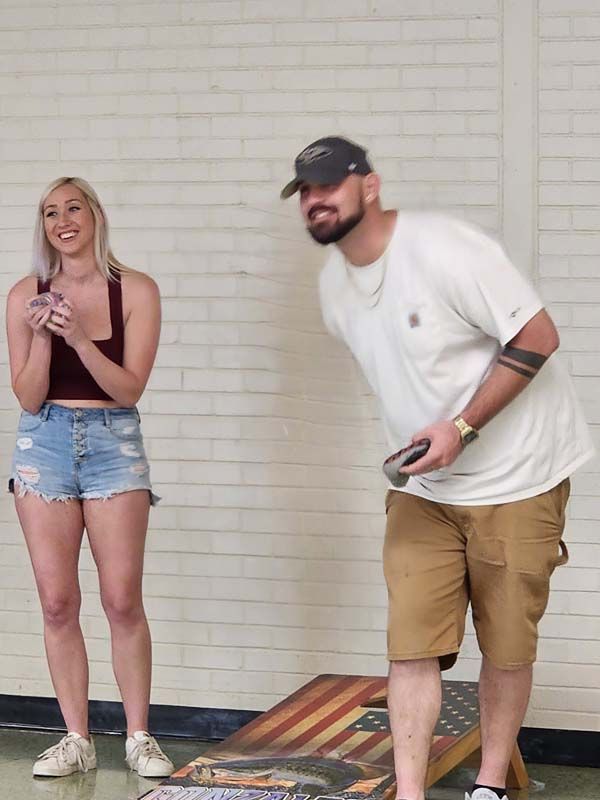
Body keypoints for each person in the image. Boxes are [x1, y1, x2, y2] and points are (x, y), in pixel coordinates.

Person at [282, 137, 593, 800]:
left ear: (369, 186)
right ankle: (413, 792)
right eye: (305, 191)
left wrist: (460, 428)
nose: (315, 201)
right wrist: (421, 447)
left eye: (328, 185)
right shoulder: (333, 287)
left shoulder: (447, 248)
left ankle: (488, 786)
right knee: (410, 643)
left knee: (506, 645)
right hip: (423, 486)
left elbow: (537, 335)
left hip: (520, 474)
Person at [6, 177, 174, 779]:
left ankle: (138, 735)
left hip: (113, 444)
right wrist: (47, 336)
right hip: (43, 445)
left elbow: (130, 388)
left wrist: (78, 333)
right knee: (57, 602)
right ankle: (76, 737)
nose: (62, 220)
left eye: (72, 207)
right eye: (50, 212)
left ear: (95, 215)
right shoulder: (26, 293)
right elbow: (27, 398)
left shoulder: (137, 290)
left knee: (121, 598)